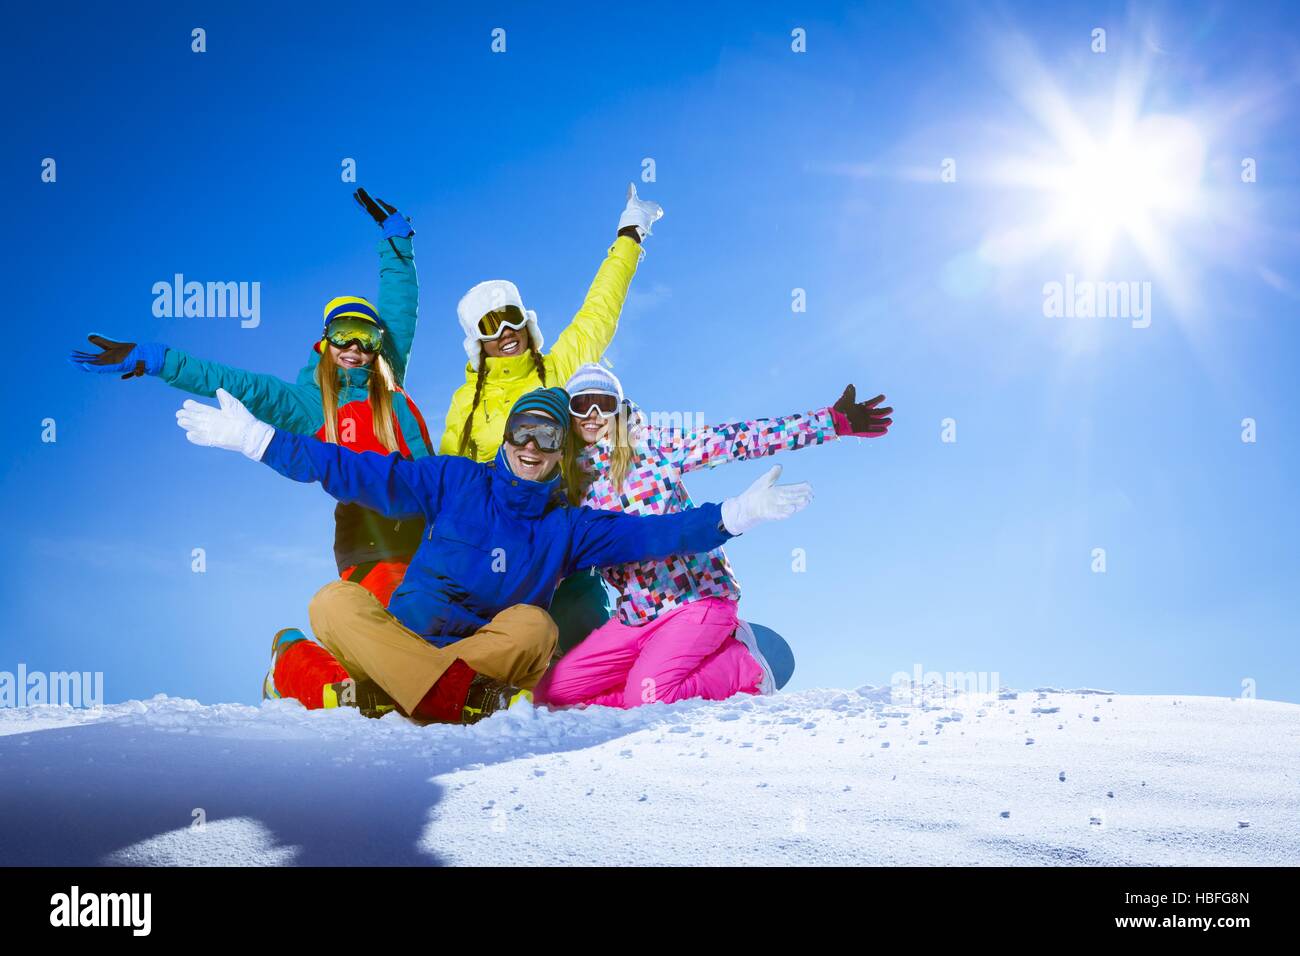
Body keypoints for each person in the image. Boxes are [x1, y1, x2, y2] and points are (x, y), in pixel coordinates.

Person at [174, 386, 815, 724]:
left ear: (562, 452)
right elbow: (353, 471)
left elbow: (653, 536)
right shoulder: (454, 480)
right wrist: (258, 440)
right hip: (418, 640)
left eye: (548, 438)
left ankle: (399, 693)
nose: (532, 447)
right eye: (523, 432)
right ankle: (441, 696)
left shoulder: (571, 526)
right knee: (333, 602)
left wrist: (734, 515)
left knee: (535, 626)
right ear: (507, 435)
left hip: (487, 654)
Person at [70, 189, 427, 707]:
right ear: (327, 343)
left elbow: (401, 304)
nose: (356, 346)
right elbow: (236, 382)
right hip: (371, 539)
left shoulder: (386, 383)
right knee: (398, 632)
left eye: (366, 335)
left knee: (433, 623)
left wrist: (396, 243)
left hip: (427, 527)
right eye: (343, 334)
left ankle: (318, 660)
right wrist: (157, 358)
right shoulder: (310, 404)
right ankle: (296, 667)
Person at [531, 363, 892, 709]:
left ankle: (746, 662)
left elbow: (735, 439)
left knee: (648, 700)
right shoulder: (570, 482)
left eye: (603, 403)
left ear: (617, 409)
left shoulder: (652, 446)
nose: (593, 414)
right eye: (582, 404)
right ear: (571, 413)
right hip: (636, 615)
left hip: (696, 599)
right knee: (552, 697)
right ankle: (643, 687)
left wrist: (831, 422)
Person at [439, 183, 663, 654]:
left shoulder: (557, 370)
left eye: (510, 318)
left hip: (560, 531)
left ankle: (643, 647)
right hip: (498, 538)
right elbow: (449, 476)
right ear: (476, 340)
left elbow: (598, 312)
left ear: (525, 320)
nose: (504, 333)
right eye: (489, 326)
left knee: (583, 627)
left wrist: (630, 233)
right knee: (507, 631)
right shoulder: (468, 403)